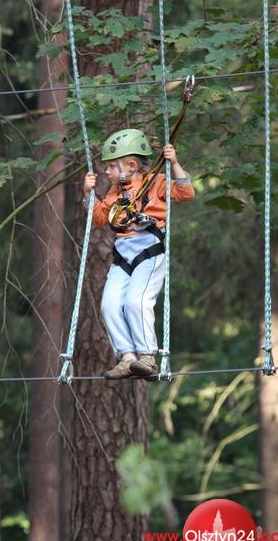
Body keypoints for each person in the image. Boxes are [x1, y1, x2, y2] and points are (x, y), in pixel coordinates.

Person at [83, 129, 195, 379]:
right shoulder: (115, 192)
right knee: (109, 304)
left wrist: (175, 164)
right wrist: (88, 193)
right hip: (123, 255)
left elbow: (186, 193)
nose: (107, 172)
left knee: (136, 301)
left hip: (148, 250)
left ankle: (147, 357)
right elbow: (99, 219)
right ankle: (128, 357)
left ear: (131, 165)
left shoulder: (155, 182)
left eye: (112, 166)